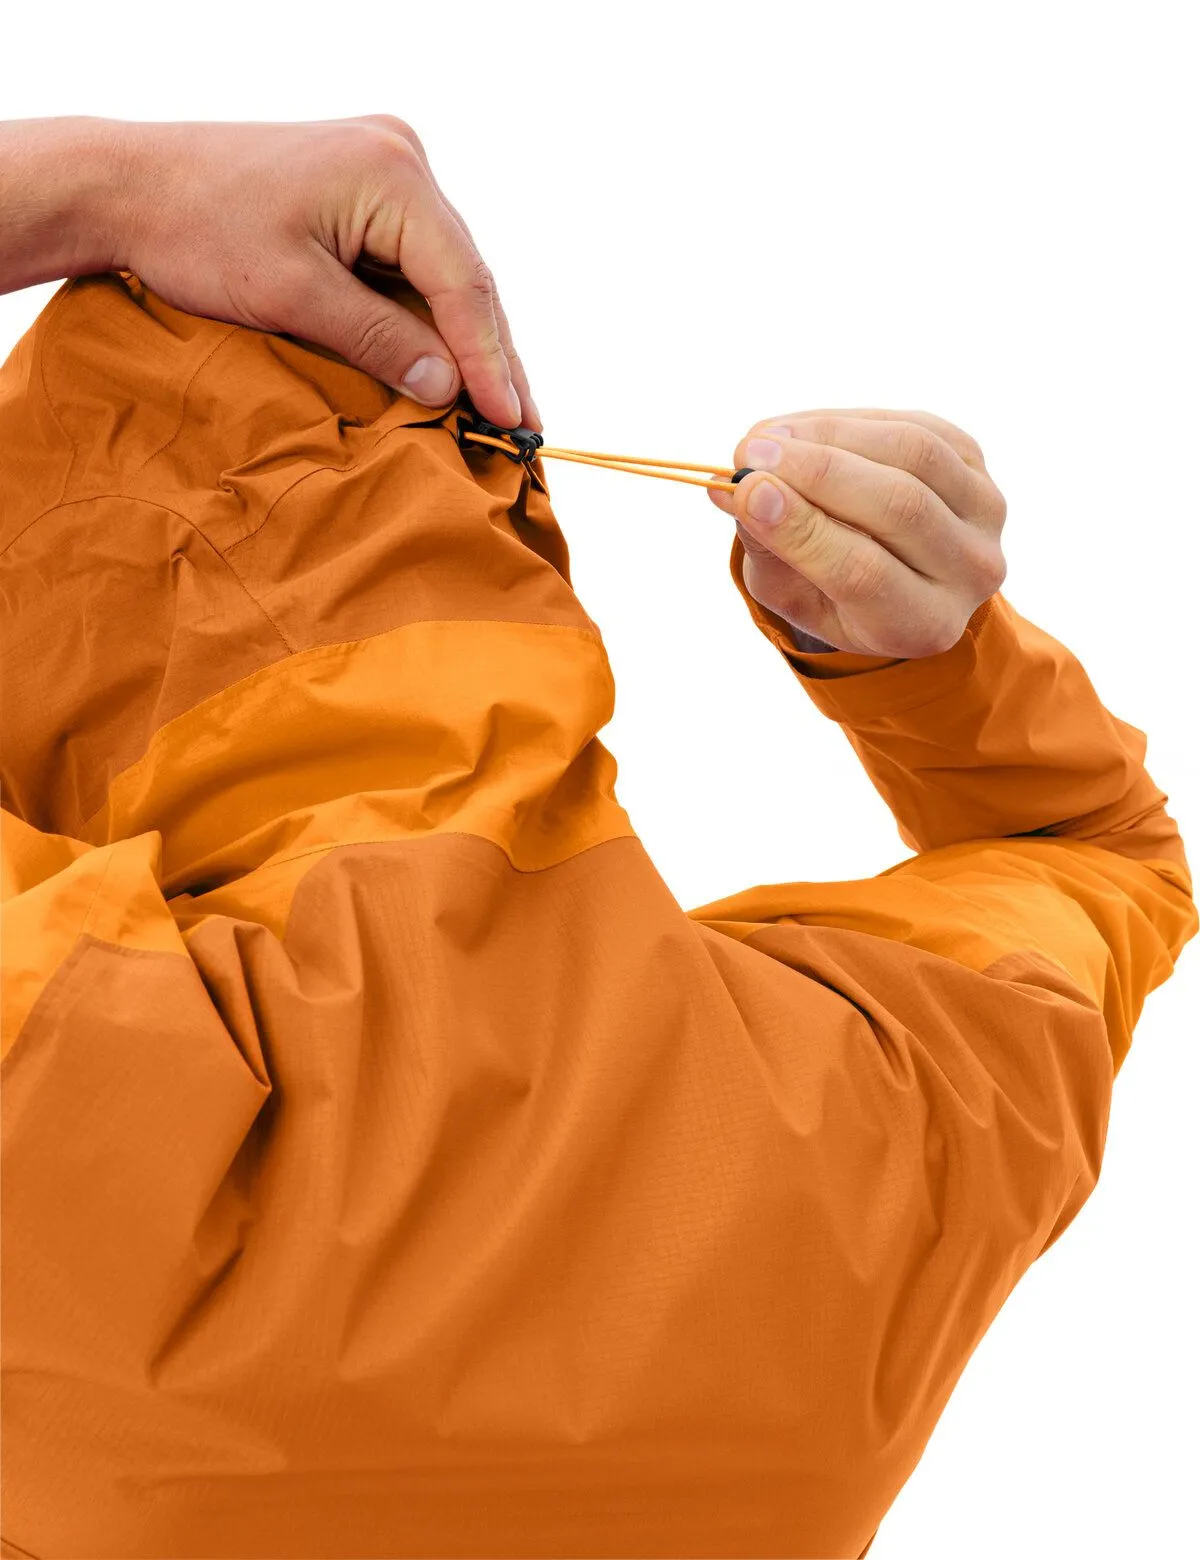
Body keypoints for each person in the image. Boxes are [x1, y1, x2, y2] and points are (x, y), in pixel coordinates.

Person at [0, 116, 1193, 1560]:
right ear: (514, 544)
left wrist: (97, 191)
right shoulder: (856, 1169)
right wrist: (924, 661)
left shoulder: (50, 1078)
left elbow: (1099, 852)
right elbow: (1103, 853)